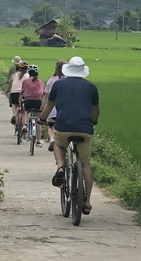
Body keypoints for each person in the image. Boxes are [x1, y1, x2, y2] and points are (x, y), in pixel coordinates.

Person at [38, 56, 100, 214]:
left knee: (59, 144)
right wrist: (93, 120)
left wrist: (42, 119)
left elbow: (48, 106)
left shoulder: (58, 85)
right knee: (85, 164)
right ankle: (87, 201)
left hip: (63, 126)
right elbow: (96, 111)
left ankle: (60, 168)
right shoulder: (91, 87)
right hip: (85, 129)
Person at [42, 59, 66, 152]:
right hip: (65, 109)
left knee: (50, 126)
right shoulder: (68, 80)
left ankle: (52, 138)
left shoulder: (51, 80)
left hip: (53, 109)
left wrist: (42, 108)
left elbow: (46, 97)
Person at [20, 64, 45, 147]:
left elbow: (22, 92)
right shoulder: (40, 81)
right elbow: (43, 93)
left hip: (28, 101)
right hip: (38, 102)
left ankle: (25, 125)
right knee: (38, 121)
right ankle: (38, 140)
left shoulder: (26, 81)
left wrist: (20, 99)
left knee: (27, 111)